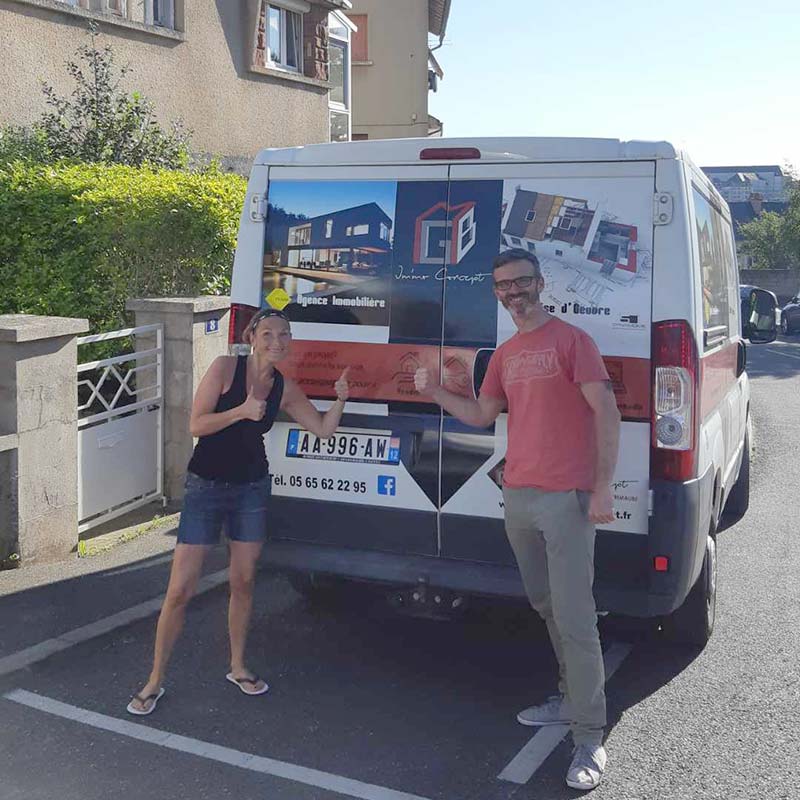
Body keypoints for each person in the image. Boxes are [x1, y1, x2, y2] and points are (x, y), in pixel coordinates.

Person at [415, 249, 621, 792]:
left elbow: (607, 411)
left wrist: (602, 486)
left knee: (576, 617)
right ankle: (570, 697)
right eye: (503, 285)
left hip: (567, 498)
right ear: (496, 292)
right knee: (546, 604)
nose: (513, 292)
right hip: (520, 496)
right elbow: (482, 415)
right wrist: (434, 392)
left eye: (521, 282)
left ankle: (589, 736)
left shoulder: (573, 341)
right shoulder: (506, 354)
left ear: (540, 283)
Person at [127, 308, 350, 716]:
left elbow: (322, 429)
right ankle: (154, 680)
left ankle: (238, 666)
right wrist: (241, 412)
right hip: (206, 487)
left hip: (251, 490)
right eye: (268, 334)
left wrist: (340, 400)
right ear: (252, 337)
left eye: (284, 334)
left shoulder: (283, 387)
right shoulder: (225, 368)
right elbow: (196, 425)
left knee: (244, 581)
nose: (277, 341)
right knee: (180, 589)